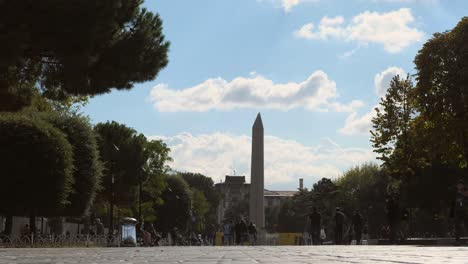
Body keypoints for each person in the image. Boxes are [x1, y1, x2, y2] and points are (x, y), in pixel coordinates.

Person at [451, 180, 467, 244]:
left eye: (461, 185)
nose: (459, 186)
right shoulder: (455, 193)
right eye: (458, 185)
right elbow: (453, 203)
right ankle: (457, 240)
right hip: (457, 212)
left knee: (466, 225)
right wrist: (452, 214)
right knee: (457, 226)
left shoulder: (465, 191)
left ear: (463, 185)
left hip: (465, 211)